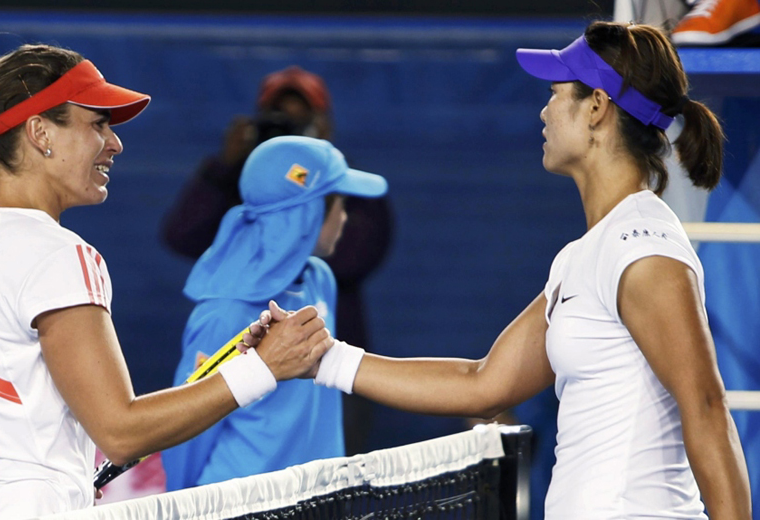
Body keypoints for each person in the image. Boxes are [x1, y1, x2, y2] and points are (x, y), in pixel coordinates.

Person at [253, 22, 753, 518]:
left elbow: (707, 408)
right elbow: (483, 383)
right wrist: (321, 358)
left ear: (597, 107)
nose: (544, 110)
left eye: (556, 94)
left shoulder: (642, 246)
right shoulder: (586, 256)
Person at [0, 44, 333, 519]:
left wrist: (38, 470)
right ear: (40, 132)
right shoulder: (59, 255)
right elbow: (120, 432)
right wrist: (263, 370)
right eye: (97, 124)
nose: (115, 143)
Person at [160, 65, 393, 455]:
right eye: (276, 119)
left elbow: (354, 256)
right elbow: (188, 434)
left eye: (301, 120)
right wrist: (227, 169)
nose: (288, 128)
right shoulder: (224, 314)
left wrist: (309, 181)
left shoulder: (319, 277)